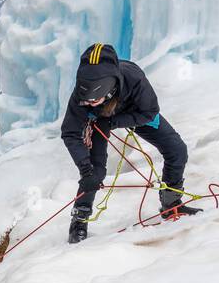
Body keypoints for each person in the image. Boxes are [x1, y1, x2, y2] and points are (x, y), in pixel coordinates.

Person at [61, 43, 200, 243]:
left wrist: (116, 121)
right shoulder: (82, 94)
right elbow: (70, 132)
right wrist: (85, 169)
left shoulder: (134, 79)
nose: (88, 103)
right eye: (86, 101)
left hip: (135, 114)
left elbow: (149, 112)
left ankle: (171, 205)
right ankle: (79, 220)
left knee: (177, 150)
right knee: (94, 172)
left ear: (109, 90)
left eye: (94, 100)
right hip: (101, 120)